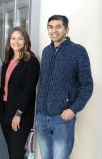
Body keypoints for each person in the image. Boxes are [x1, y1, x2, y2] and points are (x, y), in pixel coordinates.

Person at [36, 15, 93, 159]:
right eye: (50, 27)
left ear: (66, 30)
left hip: (62, 119)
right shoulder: (46, 52)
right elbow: (43, 82)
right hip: (42, 117)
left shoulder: (78, 51)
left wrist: (73, 109)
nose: (54, 30)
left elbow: (87, 85)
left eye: (58, 27)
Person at [0, 27, 40, 159]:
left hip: (20, 113)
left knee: (16, 152)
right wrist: (0, 108)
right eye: (13, 38)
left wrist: (18, 113)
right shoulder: (7, 61)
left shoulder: (31, 61)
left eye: (20, 38)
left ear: (25, 41)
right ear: (9, 41)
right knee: (12, 150)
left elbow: (28, 90)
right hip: (5, 110)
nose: (16, 41)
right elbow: (4, 87)